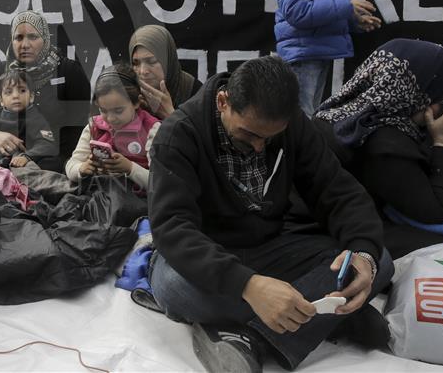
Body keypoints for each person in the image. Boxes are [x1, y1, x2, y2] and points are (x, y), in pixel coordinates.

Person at [148, 56, 393, 373]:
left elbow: (336, 189)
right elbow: (172, 228)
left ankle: (249, 337)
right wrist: (248, 286)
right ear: (223, 102)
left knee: (376, 260)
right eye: (249, 134)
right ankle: (321, 315)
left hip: (270, 247)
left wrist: (362, 249)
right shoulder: (178, 135)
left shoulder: (292, 125)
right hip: (209, 256)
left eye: (270, 137)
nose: (260, 146)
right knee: (172, 287)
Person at [314, 39, 443, 258]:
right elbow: (437, 211)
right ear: (420, 98)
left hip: (331, 220)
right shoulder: (385, 142)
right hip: (329, 235)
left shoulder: (343, 111)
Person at [0, 10, 90, 169]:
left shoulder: (69, 71)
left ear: (45, 39)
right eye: (19, 37)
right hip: (5, 160)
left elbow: (77, 132)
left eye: (33, 37)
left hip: (55, 161)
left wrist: (38, 159)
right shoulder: (2, 72)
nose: (25, 45)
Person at [64, 64, 159, 193]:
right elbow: (71, 166)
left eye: (118, 111)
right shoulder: (93, 126)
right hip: (98, 200)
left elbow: (160, 183)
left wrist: (130, 168)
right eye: (103, 110)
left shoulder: (153, 129)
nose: (110, 118)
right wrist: (82, 169)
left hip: (137, 205)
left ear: (137, 102)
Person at [129, 25, 201, 119]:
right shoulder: (128, 92)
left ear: (168, 60)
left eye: (152, 61)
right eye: (136, 63)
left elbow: (204, 133)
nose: (143, 71)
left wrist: (169, 114)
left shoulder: (195, 93)